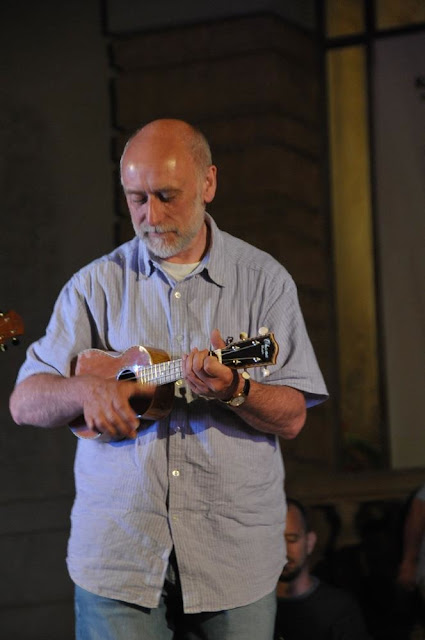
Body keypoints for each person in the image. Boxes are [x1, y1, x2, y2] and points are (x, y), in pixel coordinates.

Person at [9, 119, 328, 640]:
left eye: (166, 196)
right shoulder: (94, 285)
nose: (150, 217)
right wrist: (87, 388)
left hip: (233, 559)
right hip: (118, 559)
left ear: (209, 184)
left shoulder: (264, 280)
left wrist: (236, 389)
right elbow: (25, 402)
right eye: (136, 199)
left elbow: (293, 418)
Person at [275, 498, 371, 640]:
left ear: (310, 542)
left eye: (292, 539)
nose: (283, 550)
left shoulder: (338, 608)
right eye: (275, 540)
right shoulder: (253, 606)